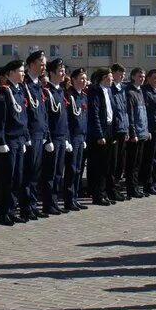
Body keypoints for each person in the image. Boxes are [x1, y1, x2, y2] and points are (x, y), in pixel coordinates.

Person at [0, 59, 29, 225]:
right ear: (11, 73)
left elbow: (24, 117)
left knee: (17, 178)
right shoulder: (4, 92)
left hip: (19, 139)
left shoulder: (19, 91)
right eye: (20, 71)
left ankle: (12, 210)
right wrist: (1, 141)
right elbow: (0, 120)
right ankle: (3, 213)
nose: (23, 73)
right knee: (7, 178)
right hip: (9, 140)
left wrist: (26, 137)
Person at [20, 50, 48, 222]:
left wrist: (46, 133)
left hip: (40, 134)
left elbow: (42, 113)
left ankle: (33, 205)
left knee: (36, 173)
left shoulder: (38, 86)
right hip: (30, 135)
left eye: (44, 63)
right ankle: (25, 207)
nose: (43, 66)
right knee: (28, 173)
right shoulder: (25, 86)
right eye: (41, 63)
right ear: (31, 65)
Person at [40, 58, 70, 215]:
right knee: (50, 173)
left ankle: (55, 201)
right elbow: (46, 119)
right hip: (52, 138)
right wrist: (48, 139)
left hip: (62, 137)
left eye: (63, 70)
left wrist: (67, 138)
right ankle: (48, 203)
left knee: (59, 172)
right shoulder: (47, 92)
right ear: (51, 73)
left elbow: (65, 119)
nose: (63, 73)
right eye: (60, 70)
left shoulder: (60, 91)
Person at [86, 67, 116, 206]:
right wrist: (99, 134)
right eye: (108, 78)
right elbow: (95, 114)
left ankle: (103, 192)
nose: (111, 80)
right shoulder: (95, 91)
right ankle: (97, 195)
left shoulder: (109, 91)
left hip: (109, 128)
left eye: (111, 78)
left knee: (106, 165)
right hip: (100, 131)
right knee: (98, 165)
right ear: (102, 79)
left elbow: (112, 112)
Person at [64, 68, 90, 212]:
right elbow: (67, 120)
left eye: (85, 78)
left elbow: (84, 119)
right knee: (72, 169)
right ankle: (68, 199)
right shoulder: (69, 96)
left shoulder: (83, 96)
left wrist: (85, 137)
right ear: (73, 80)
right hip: (73, 137)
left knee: (79, 169)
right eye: (81, 78)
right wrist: (68, 139)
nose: (84, 81)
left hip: (81, 137)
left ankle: (75, 198)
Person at [124, 67, 150, 199]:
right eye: (140, 76)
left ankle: (136, 188)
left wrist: (146, 130)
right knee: (132, 164)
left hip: (142, 132)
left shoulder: (140, 92)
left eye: (143, 76)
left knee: (138, 163)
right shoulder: (130, 92)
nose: (142, 78)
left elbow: (144, 114)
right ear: (133, 76)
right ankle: (131, 189)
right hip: (135, 134)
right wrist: (133, 133)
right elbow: (131, 115)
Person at [108, 64, 131, 202]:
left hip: (123, 128)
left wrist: (127, 129)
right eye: (120, 73)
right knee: (113, 161)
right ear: (114, 73)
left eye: (124, 73)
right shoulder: (111, 90)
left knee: (121, 162)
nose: (122, 76)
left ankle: (116, 187)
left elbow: (125, 110)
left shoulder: (122, 89)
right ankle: (111, 189)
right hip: (115, 130)